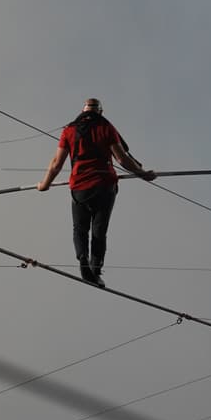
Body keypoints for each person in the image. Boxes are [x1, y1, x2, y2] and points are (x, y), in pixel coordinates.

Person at [38, 98, 156, 287]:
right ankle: (95, 269)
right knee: (99, 230)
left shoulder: (69, 130)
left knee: (80, 228)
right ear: (100, 112)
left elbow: (56, 164)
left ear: (83, 111)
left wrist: (44, 184)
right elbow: (122, 158)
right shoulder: (106, 127)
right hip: (104, 185)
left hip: (79, 187)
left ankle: (82, 257)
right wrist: (142, 174)